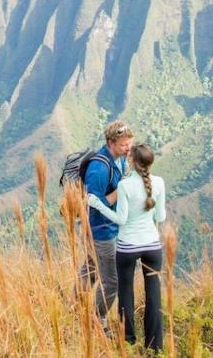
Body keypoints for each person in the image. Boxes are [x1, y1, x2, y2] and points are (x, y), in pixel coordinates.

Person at [87, 142, 167, 351]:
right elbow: (161, 216)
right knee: (154, 294)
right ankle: (155, 346)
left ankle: (128, 340)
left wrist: (98, 205)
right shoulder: (159, 182)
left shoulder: (125, 186)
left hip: (127, 247)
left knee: (126, 292)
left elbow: (120, 219)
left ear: (131, 161)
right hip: (152, 246)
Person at [79, 120, 134, 329]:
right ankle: (97, 319)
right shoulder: (98, 169)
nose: (128, 148)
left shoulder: (119, 160)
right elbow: (95, 204)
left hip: (110, 228)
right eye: (123, 144)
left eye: (129, 143)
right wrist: (123, 189)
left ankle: (75, 307)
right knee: (112, 282)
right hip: (101, 231)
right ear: (110, 143)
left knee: (91, 270)